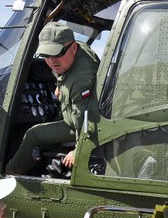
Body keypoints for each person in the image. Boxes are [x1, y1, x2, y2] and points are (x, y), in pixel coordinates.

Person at [6, 22, 99, 175]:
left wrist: (79, 150)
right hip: (74, 115)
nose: (51, 61)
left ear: (73, 48)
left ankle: (9, 172)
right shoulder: (79, 50)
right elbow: (59, 68)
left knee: (33, 135)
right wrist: (59, 85)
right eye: (46, 55)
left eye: (57, 54)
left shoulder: (81, 81)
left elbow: (86, 123)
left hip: (78, 125)